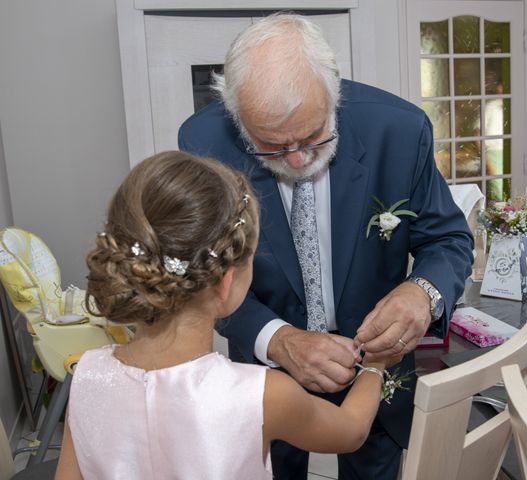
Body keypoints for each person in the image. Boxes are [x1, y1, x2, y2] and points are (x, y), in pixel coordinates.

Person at [178, 13, 474, 480]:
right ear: (237, 118)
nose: (296, 159)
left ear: (333, 91)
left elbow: (449, 239)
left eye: (313, 137)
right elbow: (206, 272)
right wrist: (276, 339)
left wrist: (422, 292)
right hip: (265, 369)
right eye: (270, 146)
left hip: (379, 362)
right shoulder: (203, 142)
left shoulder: (398, 131)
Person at [54, 151, 396, 479]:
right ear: (226, 282)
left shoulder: (88, 375)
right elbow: (349, 431)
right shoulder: (262, 394)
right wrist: (375, 364)